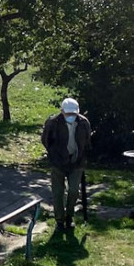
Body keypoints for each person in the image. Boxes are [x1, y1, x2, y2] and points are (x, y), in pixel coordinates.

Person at [41, 98, 92, 230]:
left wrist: (81, 157)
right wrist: (54, 155)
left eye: (73, 114)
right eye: (68, 114)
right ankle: (59, 220)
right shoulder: (52, 123)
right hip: (57, 162)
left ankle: (69, 217)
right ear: (62, 111)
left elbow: (87, 142)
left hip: (77, 162)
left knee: (74, 190)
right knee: (58, 193)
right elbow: (46, 141)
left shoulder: (83, 123)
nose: (71, 117)